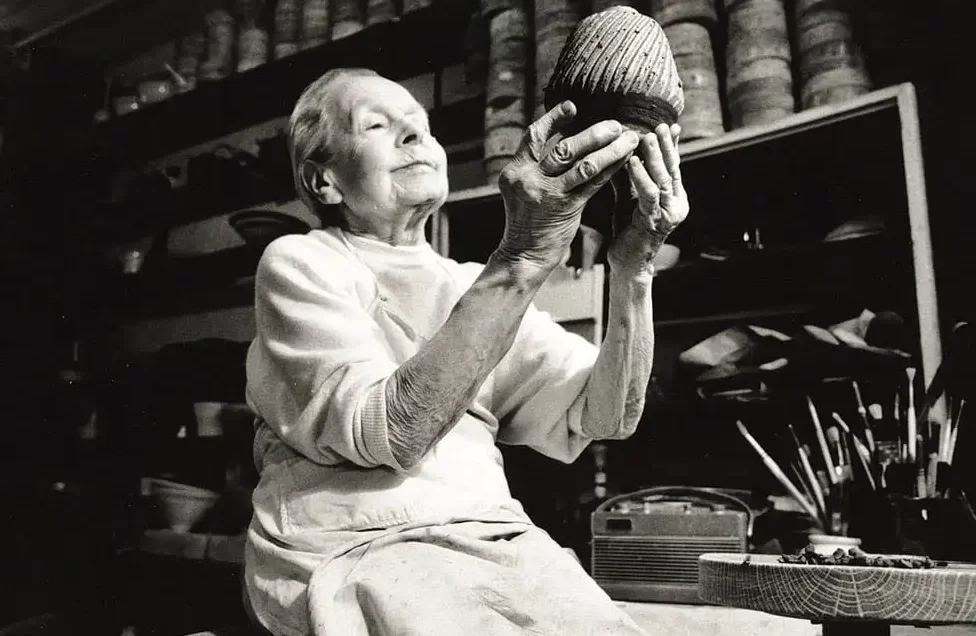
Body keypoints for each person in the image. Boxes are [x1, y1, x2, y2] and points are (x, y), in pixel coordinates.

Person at [243, 67, 689, 636]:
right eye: (377, 125)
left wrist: (634, 269)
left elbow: (606, 414)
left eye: (422, 127)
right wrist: (524, 255)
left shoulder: (471, 283)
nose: (414, 138)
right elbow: (391, 432)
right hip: (356, 544)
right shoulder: (302, 264)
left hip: (492, 538)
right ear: (323, 180)